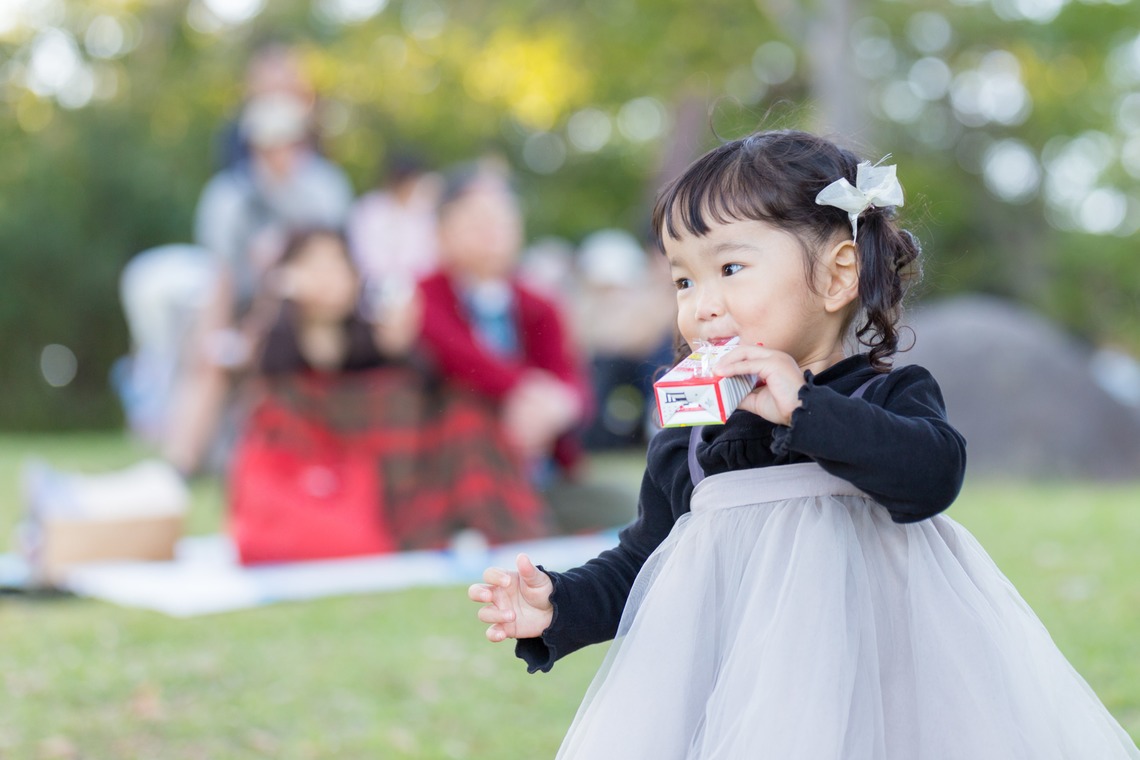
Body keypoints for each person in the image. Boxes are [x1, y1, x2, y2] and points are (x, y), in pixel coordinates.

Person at [467, 130, 1140, 758]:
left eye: (729, 268)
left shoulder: (883, 398)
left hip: (881, 681)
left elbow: (932, 476)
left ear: (838, 275)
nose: (701, 303)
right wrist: (557, 606)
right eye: (682, 279)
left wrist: (804, 408)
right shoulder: (695, 437)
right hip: (741, 690)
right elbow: (645, 562)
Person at [163, 92, 354, 476]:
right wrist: (215, 337)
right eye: (269, 143)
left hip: (315, 311)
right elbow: (222, 275)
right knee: (209, 360)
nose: (279, 152)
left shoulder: (326, 189)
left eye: (288, 141)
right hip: (246, 312)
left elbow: (339, 267)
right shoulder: (227, 197)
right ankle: (178, 468)